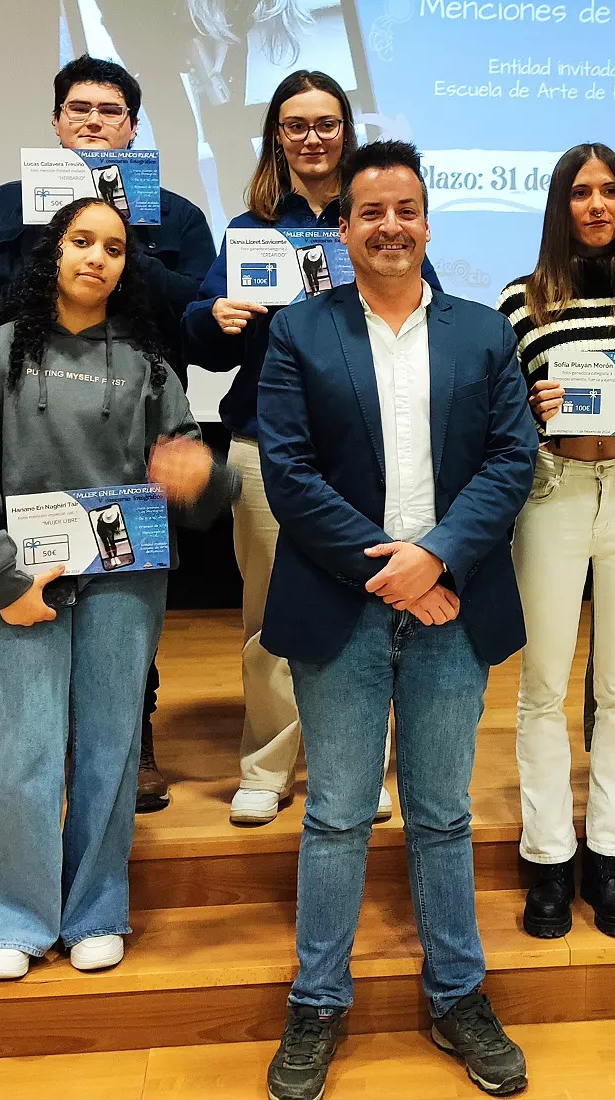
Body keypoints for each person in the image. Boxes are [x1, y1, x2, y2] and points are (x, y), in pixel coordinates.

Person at [257, 140, 535, 1100]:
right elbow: (286, 474)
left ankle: (457, 994)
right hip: (343, 605)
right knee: (335, 815)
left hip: (453, 605)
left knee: (444, 814)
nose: (389, 226)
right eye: (370, 211)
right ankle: (318, 1002)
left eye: (405, 209)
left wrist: (437, 556)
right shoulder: (299, 330)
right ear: (344, 228)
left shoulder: (482, 334)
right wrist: (399, 571)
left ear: (428, 221)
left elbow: (510, 461)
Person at [0, 197, 238, 981]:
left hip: (124, 586)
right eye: (81, 241)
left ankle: (97, 908)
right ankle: (16, 916)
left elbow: (200, 479)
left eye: (114, 247)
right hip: (22, 584)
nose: (98, 257)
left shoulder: (149, 366)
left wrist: (203, 475)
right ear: (53, 253)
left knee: (111, 747)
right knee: (21, 748)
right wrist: (3, 578)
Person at [0, 54, 215, 815]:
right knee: (29, 629)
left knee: (120, 616)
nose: (93, 121)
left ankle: (130, 740)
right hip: (31, 445)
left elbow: (203, 324)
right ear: (55, 122)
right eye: (79, 108)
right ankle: (31, 759)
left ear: (133, 127)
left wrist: (134, 242)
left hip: (130, 431)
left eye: (110, 111)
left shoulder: (175, 218)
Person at [185, 70, 441, 825]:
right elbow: (203, 338)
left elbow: (419, 311)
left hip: (372, 446)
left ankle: (366, 764)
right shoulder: (248, 229)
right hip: (265, 444)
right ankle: (266, 766)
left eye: (326, 123)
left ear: (346, 131)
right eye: (295, 125)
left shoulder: (380, 218)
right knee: (271, 617)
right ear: (277, 137)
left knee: (376, 608)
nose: (312, 138)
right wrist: (215, 317)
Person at [496, 143, 615, 940]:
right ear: (559, 205)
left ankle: (608, 853)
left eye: (610, 191)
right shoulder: (521, 300)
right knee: (541, 686)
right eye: (581, 193)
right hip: (553, 492)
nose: (598, 204)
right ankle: (546, 855)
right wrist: (533, 409)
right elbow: (499, 423)